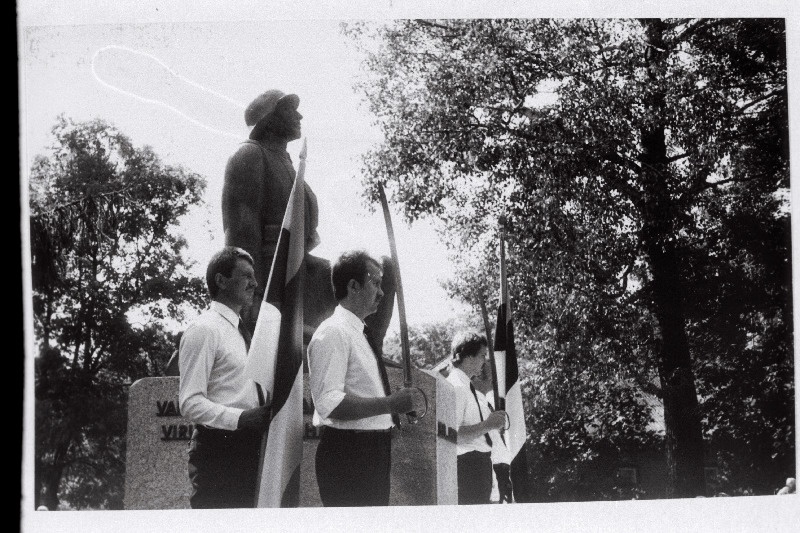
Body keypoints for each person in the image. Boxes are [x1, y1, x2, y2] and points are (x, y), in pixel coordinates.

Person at [307, 250, 417, 507]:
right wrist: (390, 404)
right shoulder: (333, 332)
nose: (381, 293)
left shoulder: (360, 333)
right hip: (349, 456)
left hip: (373, 453)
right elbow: (329, 404)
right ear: (353, 286)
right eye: (376, 283)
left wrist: (394, 405)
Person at [178, 247, 271, 509]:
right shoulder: (204, 329)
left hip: (250, 450)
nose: (254, 283)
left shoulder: (242, 331)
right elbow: (189, 402)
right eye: (246, 276)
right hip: (219, 454)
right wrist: (241, 418)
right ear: (221, 280)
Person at [446, 331, 507, 505]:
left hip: (479, 466)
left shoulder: (469, 387)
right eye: (482, 355)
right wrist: (488, 425)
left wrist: (492, 425)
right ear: (468, 356)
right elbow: (453, 435)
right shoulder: (457, 388)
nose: (484, 361)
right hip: (468, 468)